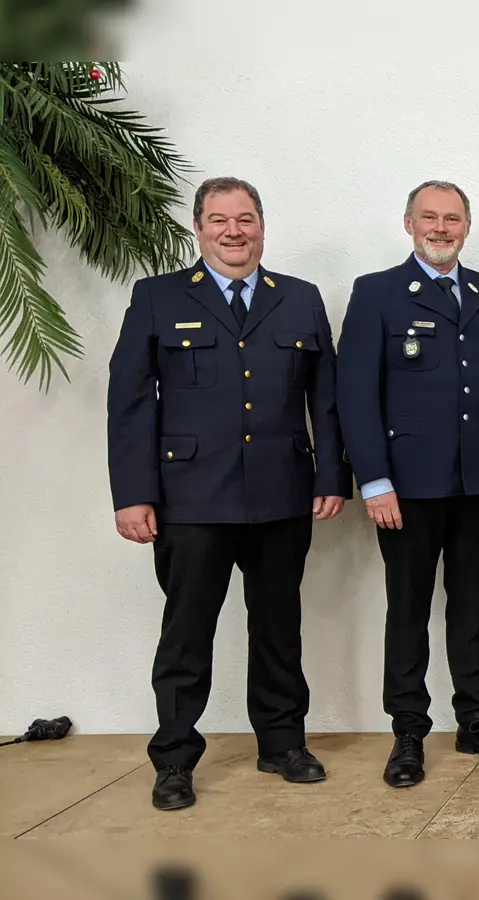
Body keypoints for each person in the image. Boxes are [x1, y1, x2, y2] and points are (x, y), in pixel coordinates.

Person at [107, 176, 349, 810]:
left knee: (278, 628)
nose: (233, 232)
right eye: (219, 220)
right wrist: (133, 494)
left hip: (281, 494)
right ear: (199, 229)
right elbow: (130, 402)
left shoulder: (299, 298)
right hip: (191, 499)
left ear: (262, 227)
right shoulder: (158, 297)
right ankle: (174, 759)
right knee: (187, 633)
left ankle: (282, 744)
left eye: (245, 219)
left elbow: (325, 399)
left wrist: (332, 476)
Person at [336, 180, 479, 788]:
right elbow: (355, 396)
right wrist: (374, 480)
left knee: (473, 608)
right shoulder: (377, 293)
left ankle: (476, 719)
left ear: (467, 227)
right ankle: (408, 732)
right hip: (408, 487)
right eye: (429, 217)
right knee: (409, 610)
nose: (441, 228)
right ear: (409, 223)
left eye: (452, 219)